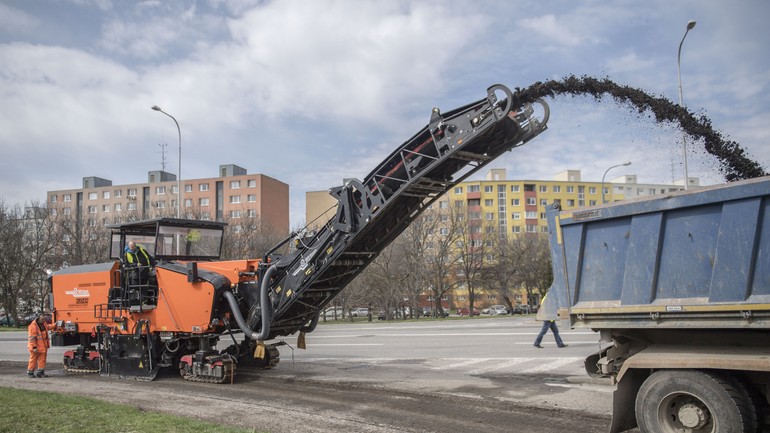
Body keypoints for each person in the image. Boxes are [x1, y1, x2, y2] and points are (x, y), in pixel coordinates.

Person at [27, 312, 52, 378]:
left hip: (43, 346)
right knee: (33, 359)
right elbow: (32, 339)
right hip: (35, 347)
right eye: (42, 319)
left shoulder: (43, 323)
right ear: (38, 319)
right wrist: (34, 347)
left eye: (44, 319)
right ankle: (30, 372)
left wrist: (55, 325)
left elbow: (48, 327)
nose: (44, 320)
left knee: (42, 359)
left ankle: (40, 372)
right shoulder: (33, 326)